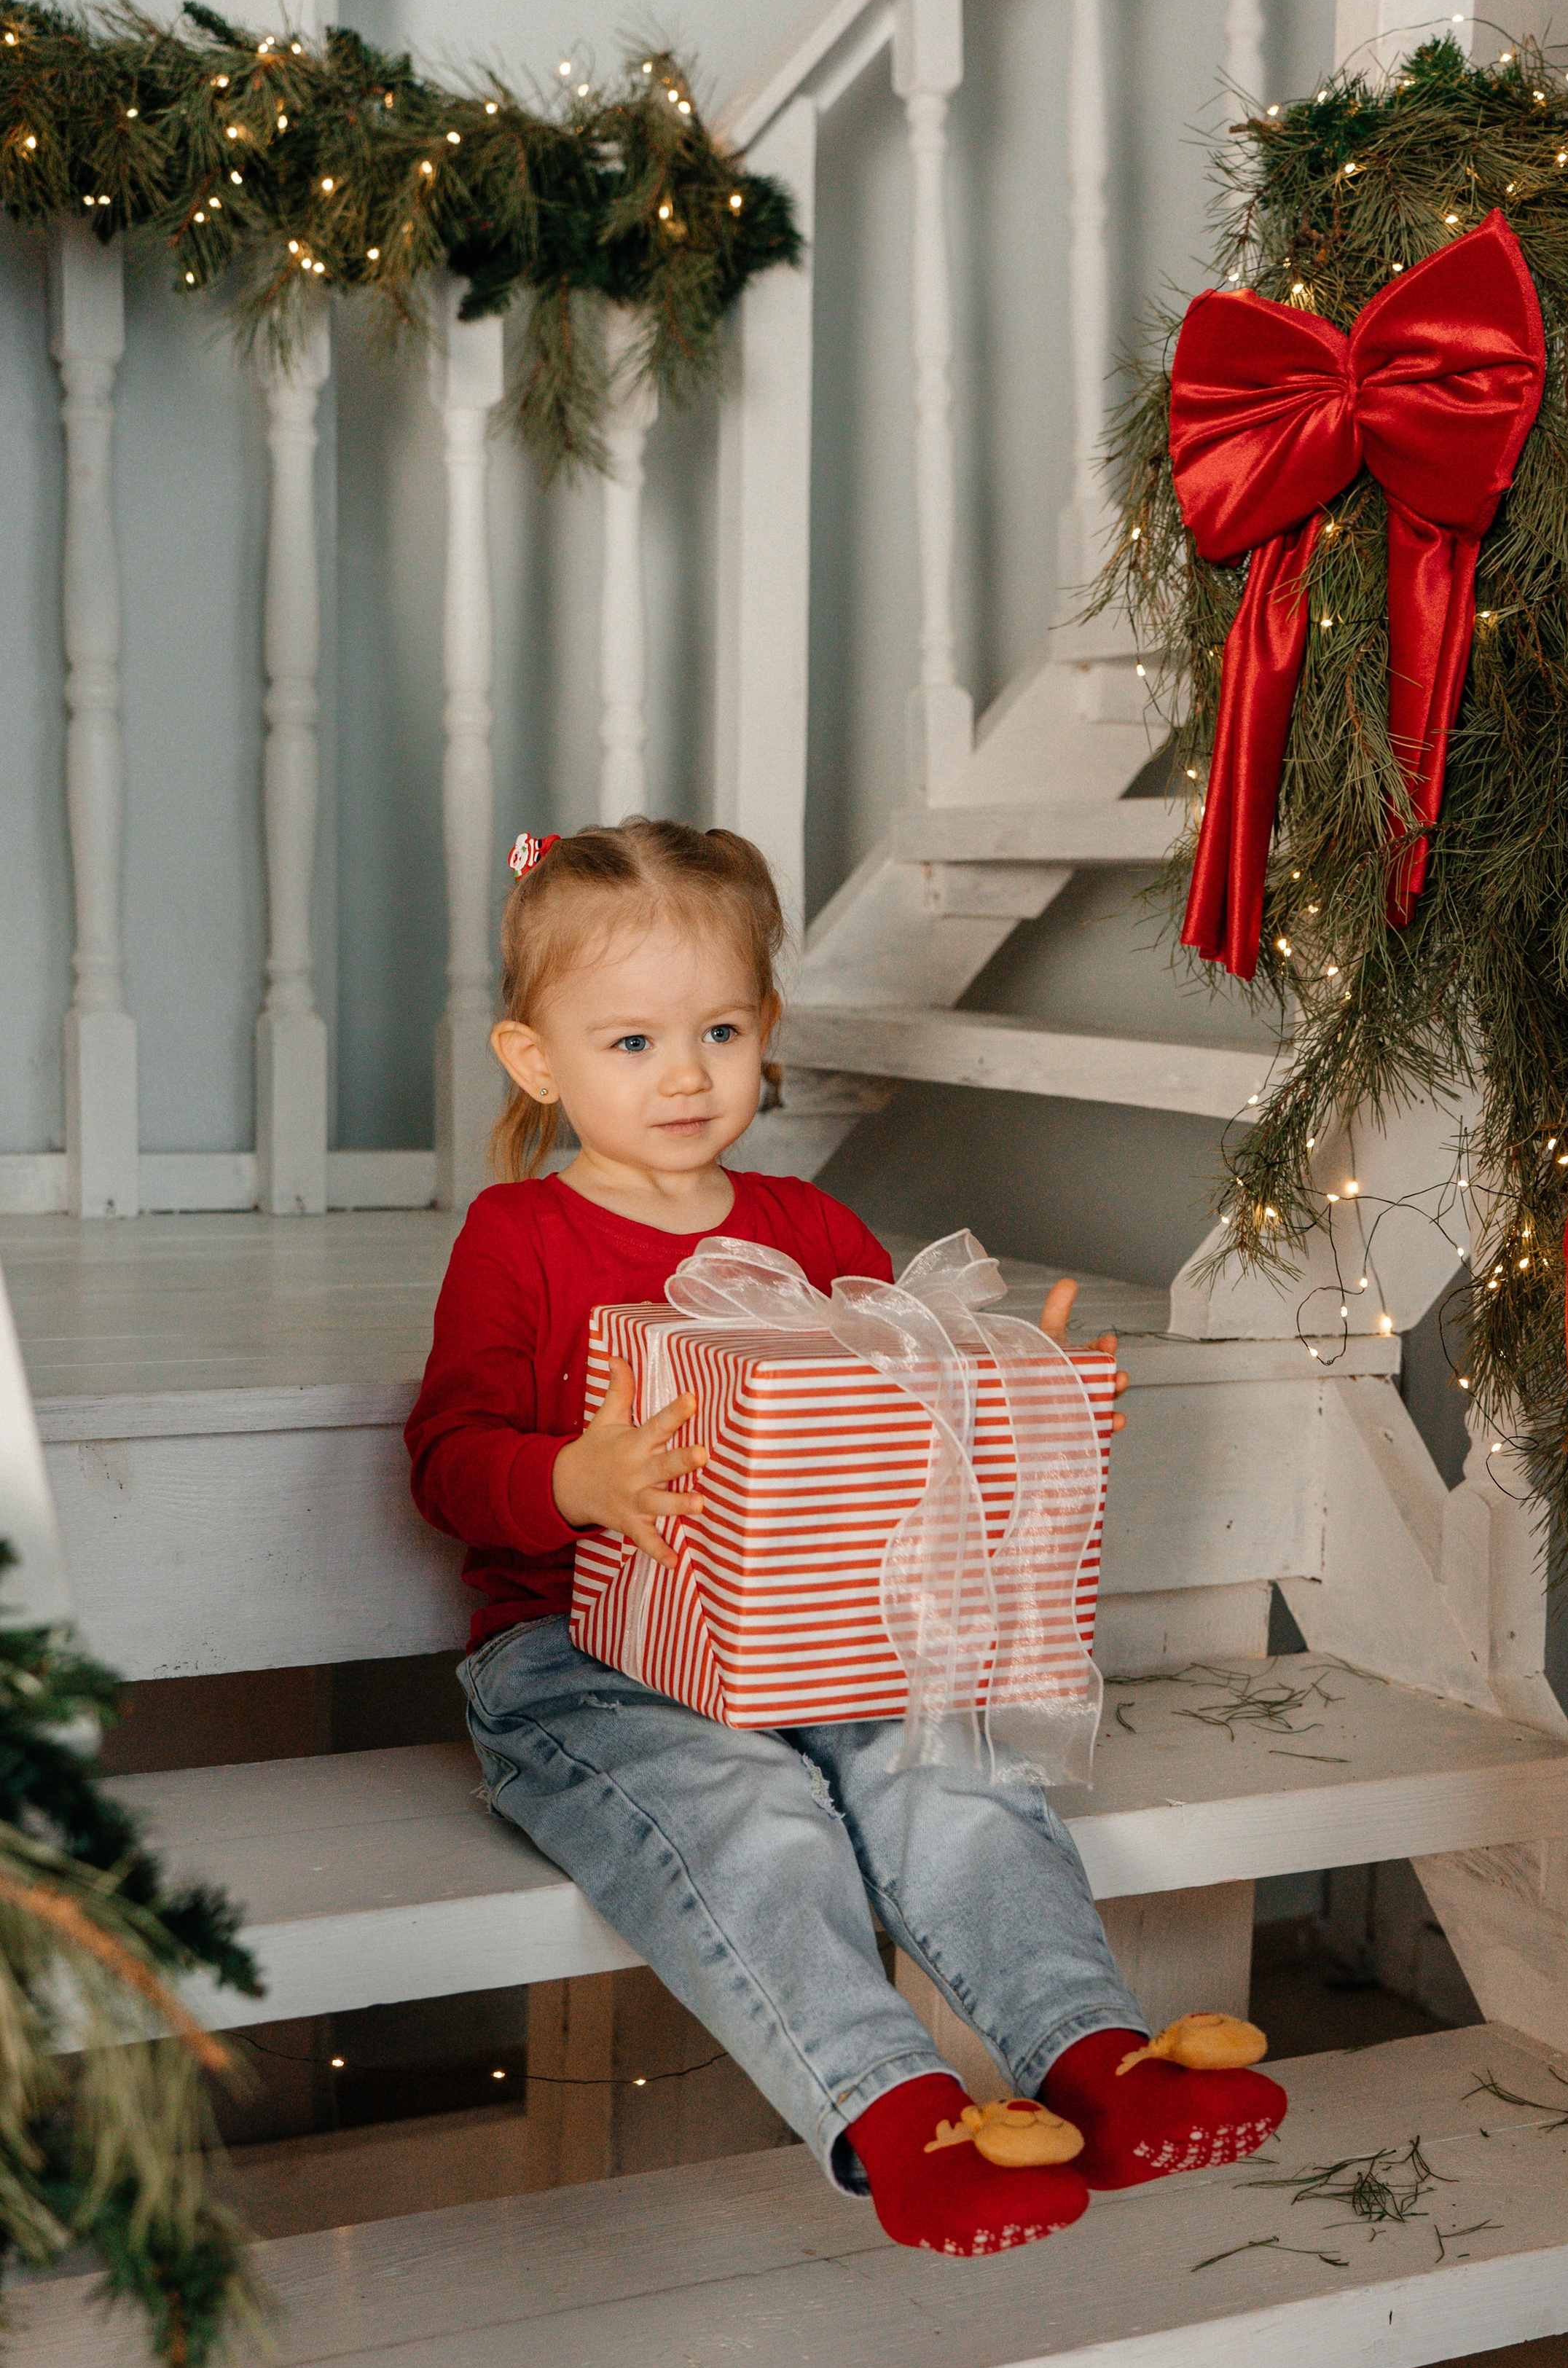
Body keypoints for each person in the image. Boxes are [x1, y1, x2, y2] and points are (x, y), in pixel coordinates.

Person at [407, 819, 1286, 2258]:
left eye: (718, 1030)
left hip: (820, 1637)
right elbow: (446, 1459)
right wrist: (574, 1476)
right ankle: (899, 2119)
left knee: (953, 1773)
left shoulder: (812, 1223)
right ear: (534, 1061)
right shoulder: (523, 1240)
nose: (684, 1074)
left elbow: (888, 1420)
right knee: (755, 1816)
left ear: (765, 1033)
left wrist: (997, 1394)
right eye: (628, 1042)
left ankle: (1091, 2057)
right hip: (575, 1660)